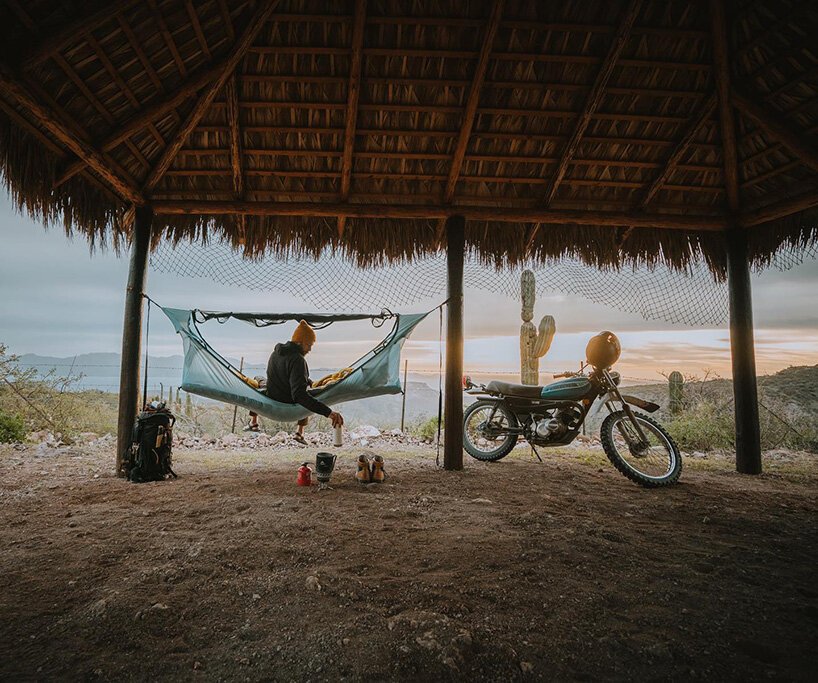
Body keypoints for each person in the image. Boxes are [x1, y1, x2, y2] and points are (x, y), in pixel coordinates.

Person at [260, 319, 344, 444]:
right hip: (286, 401)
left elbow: (284, 375)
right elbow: (299, 395)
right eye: (309, 345)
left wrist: (305, 379)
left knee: (258, 380)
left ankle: (254, 421)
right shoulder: (298, 360)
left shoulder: (275, 354)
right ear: (300, 342)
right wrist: (329, 413)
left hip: (272, 395)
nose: (309, 349)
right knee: (309, 393)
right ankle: (300, 431)